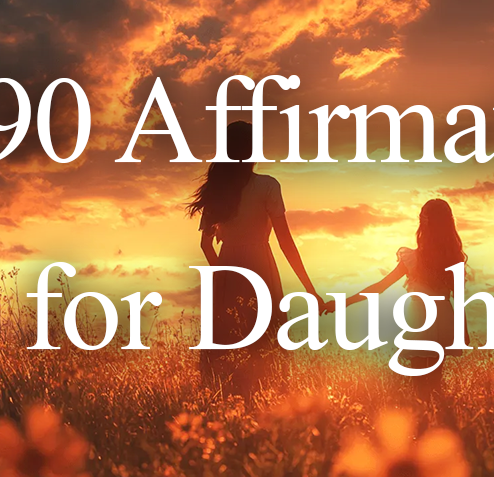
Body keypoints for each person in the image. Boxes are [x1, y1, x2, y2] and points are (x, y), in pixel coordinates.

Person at [186, 121, 325, 399]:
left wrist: (223, 274)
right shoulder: (267, 186)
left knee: (225, 341)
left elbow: (205, 244)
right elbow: (286, 242)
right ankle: (267, 401)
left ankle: (223, 401)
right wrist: (310, 290)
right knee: (265, 342)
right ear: (252, 150)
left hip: (227, 268)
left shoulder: (217, 190)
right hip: (261, 266)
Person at [323, 199, 469, 412]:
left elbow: (380, 287)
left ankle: (423, 429)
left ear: (423, 224)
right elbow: (460, 298)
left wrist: (343, 303)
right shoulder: (452, 258)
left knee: (420, 385)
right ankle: (436, 428)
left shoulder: (414, 258)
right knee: (435, 383)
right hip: (443, 318)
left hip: (421, 318)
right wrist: (461, 329)